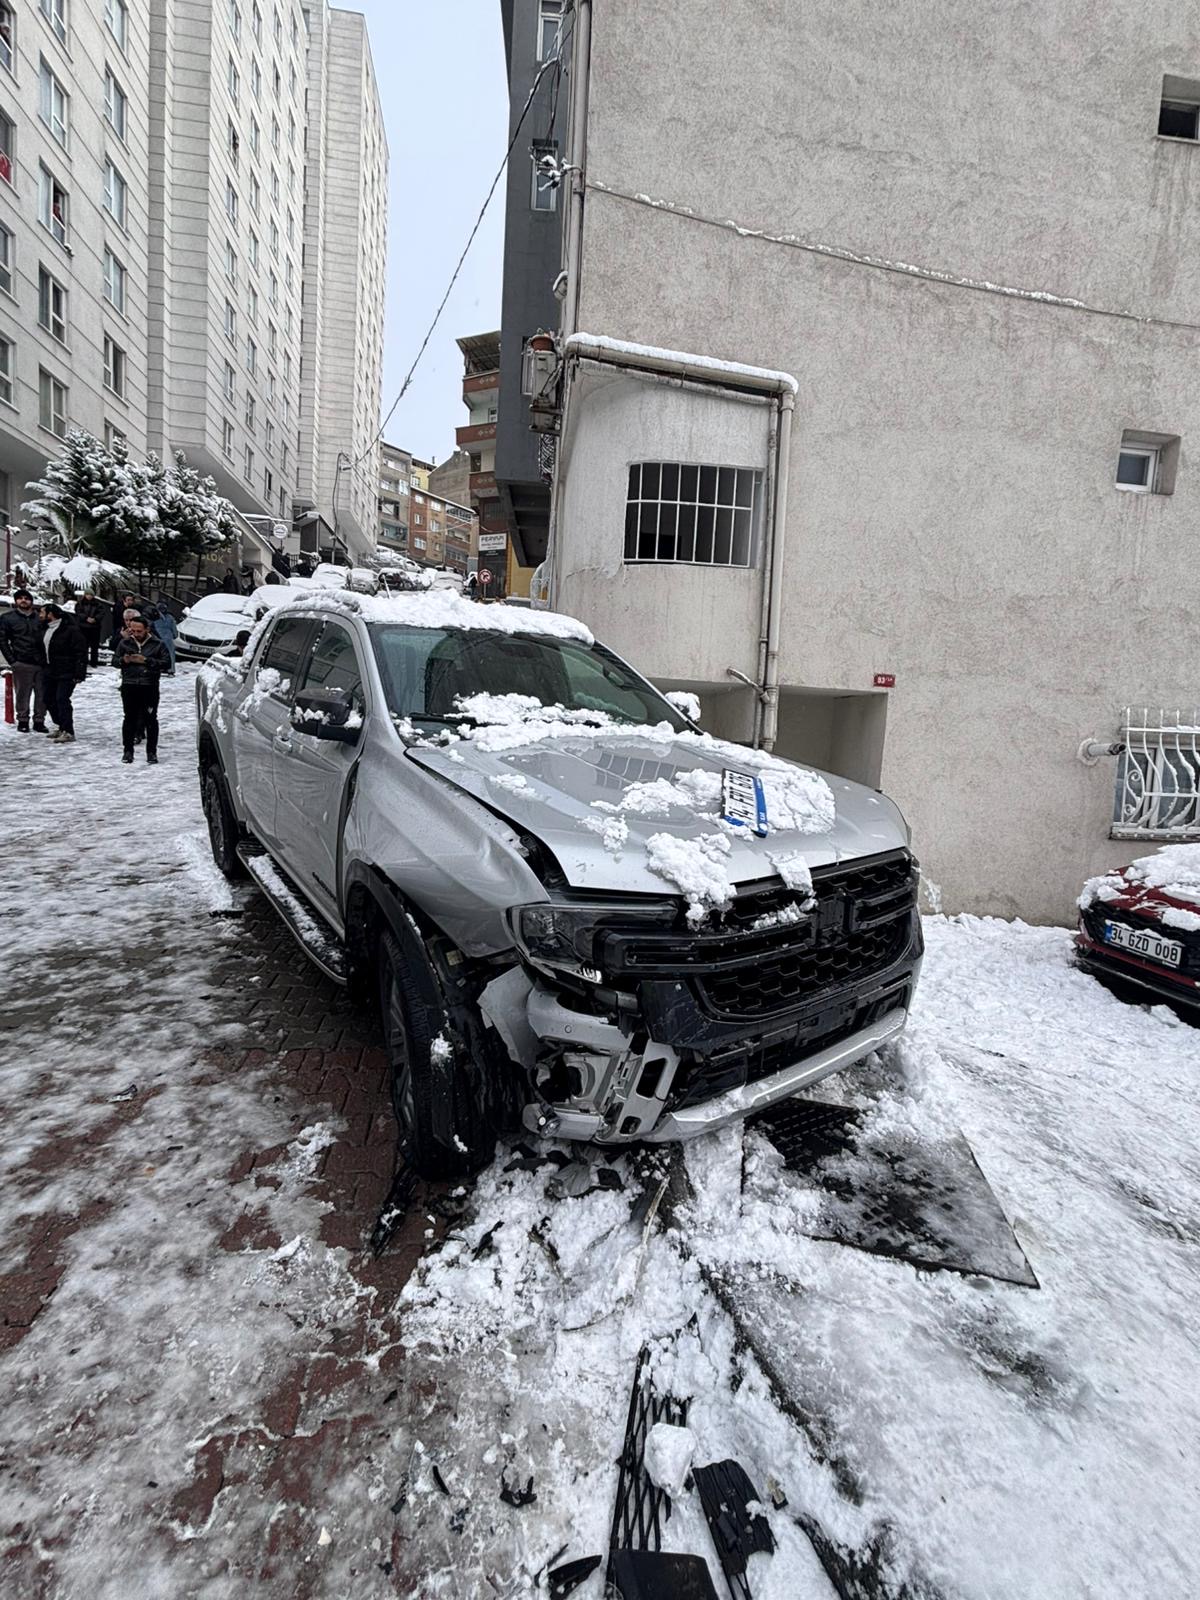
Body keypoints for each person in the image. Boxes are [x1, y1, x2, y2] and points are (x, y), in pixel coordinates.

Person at [115, 617, 169, 764]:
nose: (136, 633)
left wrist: (146, 661)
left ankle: (151, 752)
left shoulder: (157, 644)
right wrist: (124, 661)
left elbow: (166, 663)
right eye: (133, 630)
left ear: (147, 629)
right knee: (129, 718)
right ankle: (128, 751)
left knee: (150, 719)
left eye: (139, 631)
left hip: (149, 685)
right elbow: (115, 660)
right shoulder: (125, 643)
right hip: (130, 684)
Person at [0, 589, 49, 732]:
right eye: (20, 598)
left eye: (26, 598)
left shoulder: (40, 617)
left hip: (41, 662)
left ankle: (39, 721)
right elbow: (2, 640)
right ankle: (23, 720)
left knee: (42, 693)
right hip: (21, 661)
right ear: (16, 601)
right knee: (22, 693)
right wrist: (12, 660)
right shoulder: (8, 618)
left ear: (31, 601)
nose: (23, 601)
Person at [40, 603, 87, 744]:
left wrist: (79, 673)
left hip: (66, 671)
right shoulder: (44, 629)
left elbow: (80, 652)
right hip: (49, 670)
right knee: (48, 699)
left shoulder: (70, 630)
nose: (40, 615)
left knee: (62, 699)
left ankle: (68, 730)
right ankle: (61, 725)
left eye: (42, 612)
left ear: (50, 614)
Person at [75, 592, 106, 667]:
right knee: (83, 646)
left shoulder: (98, 604)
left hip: (95, 627)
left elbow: (101, 613)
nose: (89, 596)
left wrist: (95, 619)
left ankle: (94, 662)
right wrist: (86, 618)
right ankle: (84, 661)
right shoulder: (80, 603)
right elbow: (79, 612)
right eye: (88, 594)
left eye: (91, 595)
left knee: (94, 646)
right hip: (83, 627)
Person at [152, 606, 178, 673]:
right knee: (170, 654)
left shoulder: (154, 617)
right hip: (168, 638)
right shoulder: (170, 617)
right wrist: (175, 635)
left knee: (158, 653)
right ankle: (171, 669)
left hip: (157, 637)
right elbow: (174, 629)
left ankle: (159, 668)